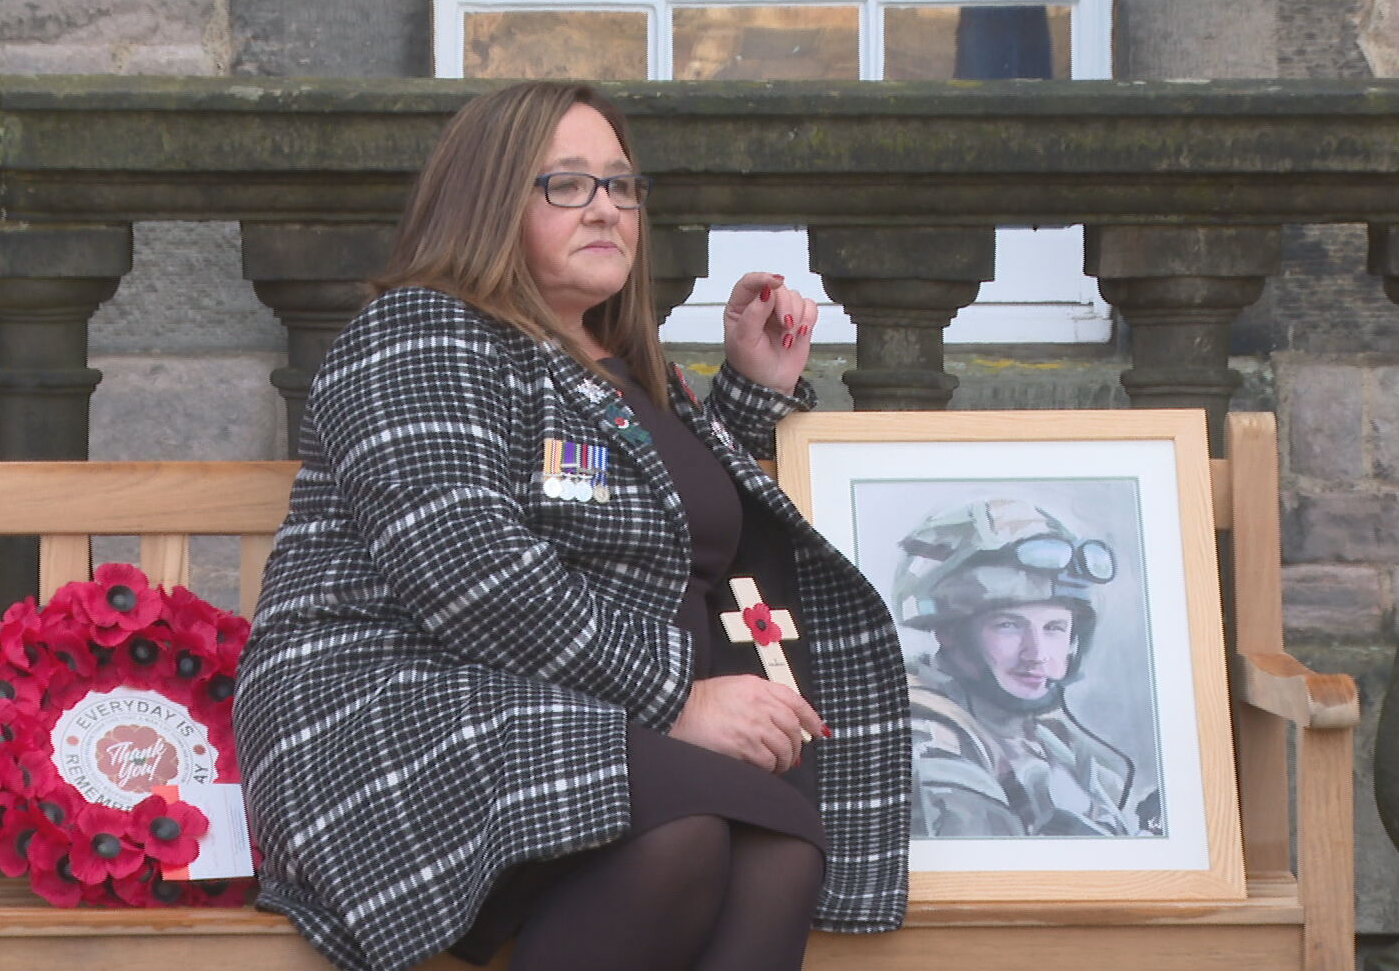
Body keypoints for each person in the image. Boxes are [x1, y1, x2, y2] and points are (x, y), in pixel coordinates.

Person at [234, 81, 910, 971]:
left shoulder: (629, 370)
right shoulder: (422, 333)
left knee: (778, 841)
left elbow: (668, 528)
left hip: (565, 717)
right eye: (567, 184)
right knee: (684, 829)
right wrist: (681, 699)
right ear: (486, 202)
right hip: (386, 709)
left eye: (621, 186)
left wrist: (747, 398)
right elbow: (469, 567)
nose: (605, 208)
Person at [892, 497, 1161, 838]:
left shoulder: (1053, 741)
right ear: (948, 631)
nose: (1037, 654)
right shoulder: (924, 742)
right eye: (1009, 625)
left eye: (1054, 628)